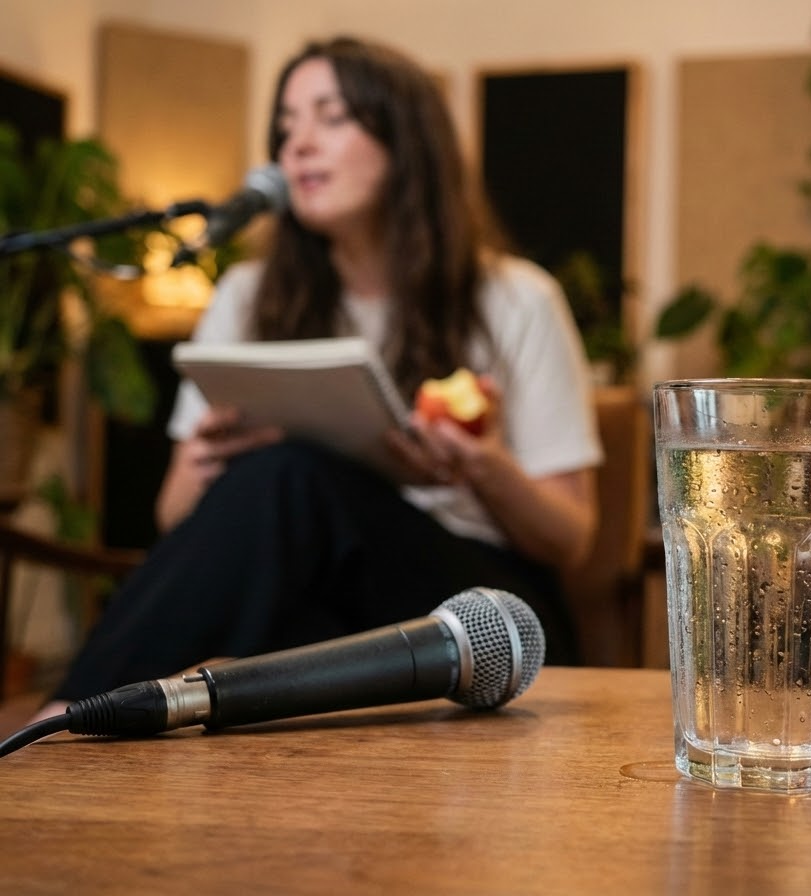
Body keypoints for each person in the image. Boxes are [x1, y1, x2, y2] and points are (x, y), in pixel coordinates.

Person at [36, 36, 601, 716]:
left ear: (407, 142)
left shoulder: (515, 297)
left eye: (331, 118)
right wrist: (205, 461)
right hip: (314, 604)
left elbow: (572, 538)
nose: (298, 145)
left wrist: (483, 467)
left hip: (468, 607)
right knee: (283, 500)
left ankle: (68, 715)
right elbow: (173, 519)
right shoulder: (245, 296)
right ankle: (91, 722)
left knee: (292, 473)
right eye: (286, 127)